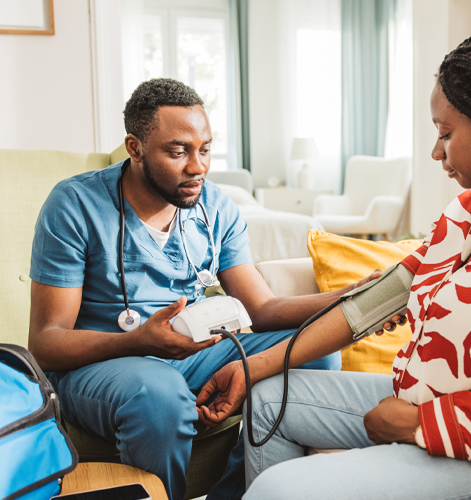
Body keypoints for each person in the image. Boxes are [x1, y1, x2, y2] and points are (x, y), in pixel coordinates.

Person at [192, 29, 471, 499]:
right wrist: (254, 368)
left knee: (280, 489)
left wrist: (419, 425)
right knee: (270, 399)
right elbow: (371, 306)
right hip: (428, 405)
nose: (436, 153)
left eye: (445, 134)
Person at [28, 78, 391, 500]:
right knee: (159, 395)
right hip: (103, 365)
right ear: (135, 147)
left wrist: (349, 297)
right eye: (178, 151)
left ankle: (234, 494)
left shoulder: (215, 206)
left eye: (205, 149)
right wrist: (140, 340)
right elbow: (46, 343)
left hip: (194, 353)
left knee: (316, 351)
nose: (197, 166)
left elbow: (263, 308)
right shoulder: (75, 205)